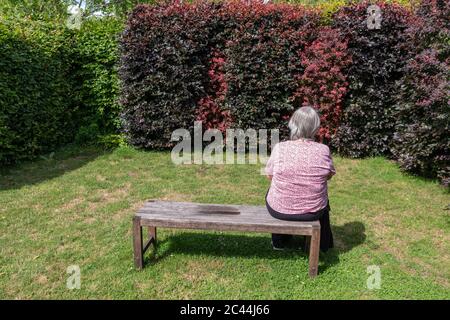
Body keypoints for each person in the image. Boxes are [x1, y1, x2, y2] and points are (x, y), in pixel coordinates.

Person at [265, 106, 335, 251]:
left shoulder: (280, 148)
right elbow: (328, 176)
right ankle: (322, 243)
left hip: (280, 208)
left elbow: (269, 175)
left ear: (293, 124)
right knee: (323, 197)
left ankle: (279, 241)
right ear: (316, 126)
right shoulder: (323, 150)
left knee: (271, 191)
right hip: (313, 211)